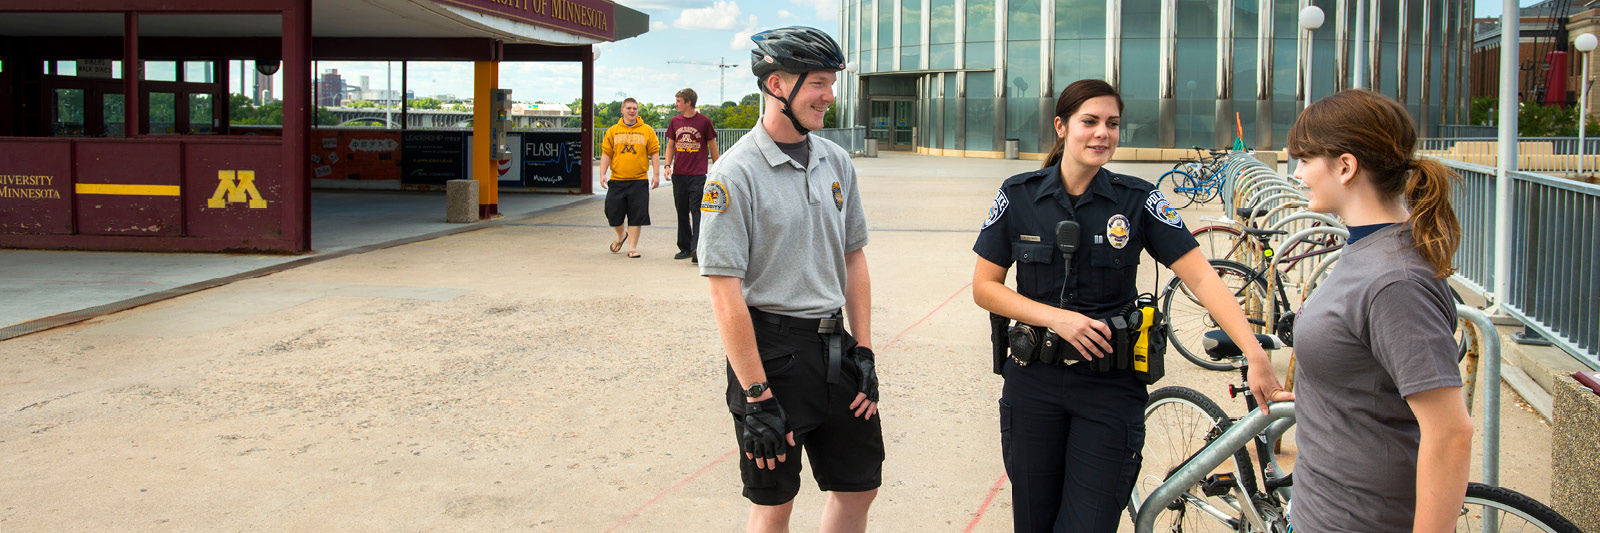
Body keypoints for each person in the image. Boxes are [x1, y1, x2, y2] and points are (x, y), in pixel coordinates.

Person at [970, 79, 1279, 532]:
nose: (1102, 134)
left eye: (1112, 124)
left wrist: (1254, 353)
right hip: (1033, 384)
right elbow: (985, 287)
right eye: (1089, 122)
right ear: (1061, 127)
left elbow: (1202, 278)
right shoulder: (1019, 194)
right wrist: (1058, 318)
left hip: (1109, 390)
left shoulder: (1137, 201)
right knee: (1033, 522)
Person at [1261, 88, 1472, 532]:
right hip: (1325, 504)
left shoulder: (1395, 281)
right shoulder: (1370, 249)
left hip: (1358, 518)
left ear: (1345, 166)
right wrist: (1328, 395)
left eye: (1304, 159)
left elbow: (1451, 432)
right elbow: (1375, 377)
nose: (1297, 174)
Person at [697, 26, 881, 533]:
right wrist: (757, 395)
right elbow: (723, 292)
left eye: (830, 83)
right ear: (778, 85)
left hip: (835, 348)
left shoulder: (835, 160)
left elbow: (853, 259)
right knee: (775, 502)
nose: (829, 95)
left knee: (860, 485)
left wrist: (864, 350)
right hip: (771, 352)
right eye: (819, 82)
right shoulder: (734, 175)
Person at [599, 97, 662, 258]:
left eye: (634, 108)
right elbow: (606, 153)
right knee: (612, 212)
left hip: (639, 180)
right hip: (617, 179)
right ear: (622, 110)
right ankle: (621, 235)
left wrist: (656, 174)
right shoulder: (613, 131)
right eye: (628, 108)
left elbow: (654, 152)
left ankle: (632, 248)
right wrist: (602, 174)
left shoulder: (646, 130)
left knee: (636, 215)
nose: (632, 111)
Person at [665, 88, 719, 263]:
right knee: (681, 212)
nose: (676, 104)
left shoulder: (704, 122)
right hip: (679, 174)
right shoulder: (674, 121)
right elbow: (670, 146)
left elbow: (712, 145)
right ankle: (685, 247)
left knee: (697, 212)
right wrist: (667, 165)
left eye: (678, 101)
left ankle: (697, 248)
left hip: (697, 175)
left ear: (688, 102)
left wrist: (718, 167)